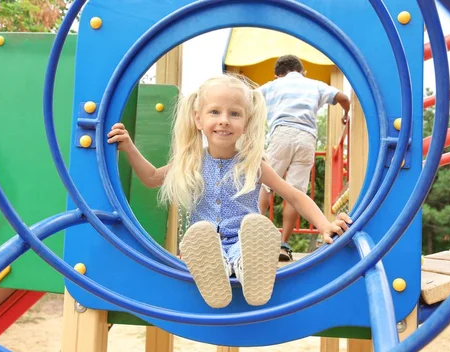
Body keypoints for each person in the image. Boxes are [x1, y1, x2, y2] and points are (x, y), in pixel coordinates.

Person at [107, 74, 351, 309]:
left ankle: (251, 269)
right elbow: (151, 178)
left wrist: (324, 225)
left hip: (242, 242)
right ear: (198, 119)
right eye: (215, 112)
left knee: (247, 246)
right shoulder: (191, 161)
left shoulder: (252, 164)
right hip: (206, 244)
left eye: (234, 114)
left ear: (246, 123)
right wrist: (128, 147)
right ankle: (214, 270)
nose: (224, 120)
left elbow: (294, 195)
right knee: (202, 240)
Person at [258, 55, 351, 261]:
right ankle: (283, 244)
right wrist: (345, 114)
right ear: (303, 72)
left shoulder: (273, 85)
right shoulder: (314, 85)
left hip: (281, 133)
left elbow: (248, 98)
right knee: (294, 192)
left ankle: (254, 236)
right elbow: (343, 98)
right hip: (307, 138)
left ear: (277, 75)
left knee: (264, 184)